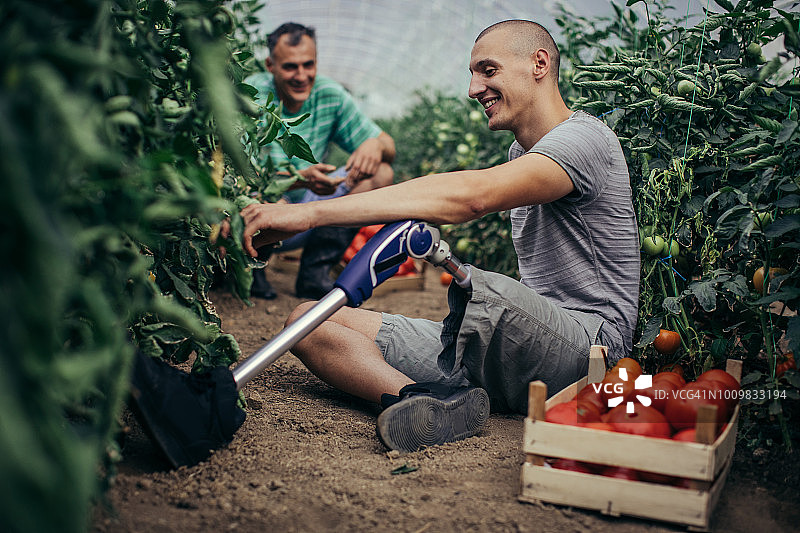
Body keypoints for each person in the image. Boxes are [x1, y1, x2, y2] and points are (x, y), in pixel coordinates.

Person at [233, 20, 640, 452]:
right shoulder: (520, 153)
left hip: (589, 348)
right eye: (472, 73)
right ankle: (427, 402)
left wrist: (306, 214)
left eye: (488, 70)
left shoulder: (585, 139)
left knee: (482, 287)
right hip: (526, 348)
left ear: (539, 64)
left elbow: (472, 198)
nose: (473, 88)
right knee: (306, 323)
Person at [246, 22, 396, 300]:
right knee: (259, 198)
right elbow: (237, 176)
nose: (302, 76)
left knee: (381, 173)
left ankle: (315, 272)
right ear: (270, 65)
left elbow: (389, 145)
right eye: (290, 67)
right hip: (260, 212)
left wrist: (375, 144)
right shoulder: (251, 96)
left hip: (306, 212)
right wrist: (298, 179)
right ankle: (250, 269)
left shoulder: (330, 95)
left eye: (308, 64)